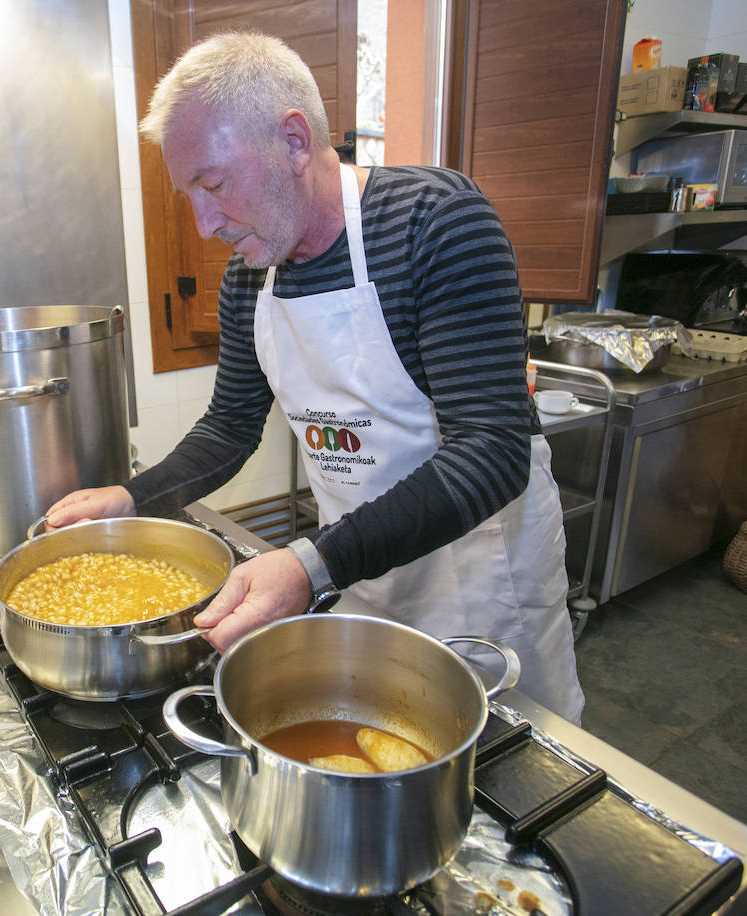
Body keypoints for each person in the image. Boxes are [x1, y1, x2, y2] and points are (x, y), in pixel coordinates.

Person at [46, 31, 584, 722]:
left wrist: (310, 564)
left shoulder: (436, 222)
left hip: (480, 579)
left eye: (212, 184)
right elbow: (231, 426)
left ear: (295, 141)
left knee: (507, 779)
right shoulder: (249, 277)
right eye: (190, 195)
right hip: (359, 571)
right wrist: (132, 496)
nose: (204, 223)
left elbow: (493, 450)